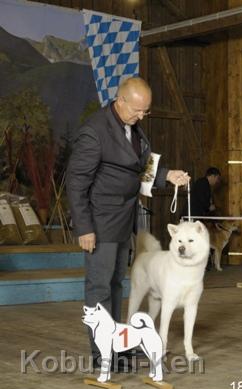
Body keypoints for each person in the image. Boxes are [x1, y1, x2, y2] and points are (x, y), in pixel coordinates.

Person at [66, 77, 189, 370]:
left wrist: (167, 175)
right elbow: (76, 182)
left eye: (145, 111)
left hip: (123, 221)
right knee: (99, 287)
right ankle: (101, 354)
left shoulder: (132, 127)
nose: (142, 116)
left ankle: (115, 346)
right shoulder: (94, 132)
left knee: (115, 284)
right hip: (99, 222)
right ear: (120, 100)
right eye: (137, 110)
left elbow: (142, 166)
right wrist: (84, 227)